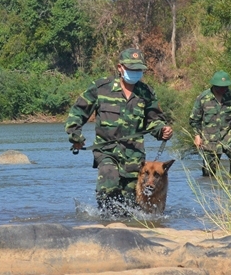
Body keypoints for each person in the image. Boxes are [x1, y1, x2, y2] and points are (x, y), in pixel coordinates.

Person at [65, 48, 173, 214]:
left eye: (138, 69)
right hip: (106, 152)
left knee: (131, 202)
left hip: (134, 156)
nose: (135, 72)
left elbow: (154, 120)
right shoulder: (101, 88)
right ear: (120, 67)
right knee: (108, 185)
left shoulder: (146, 93)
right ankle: (106, 224)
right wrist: (76, 136)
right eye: (131, 69)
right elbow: (78, 111)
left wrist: (162, 130)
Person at [189, 70, 231, 176]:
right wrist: (197, 136)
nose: (223, 89)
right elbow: (194, 120)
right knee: (208, 174)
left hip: (228, 135)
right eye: (220, 87)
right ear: (214, 85)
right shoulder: (203, 98)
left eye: (225, 87)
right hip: (210, 139)